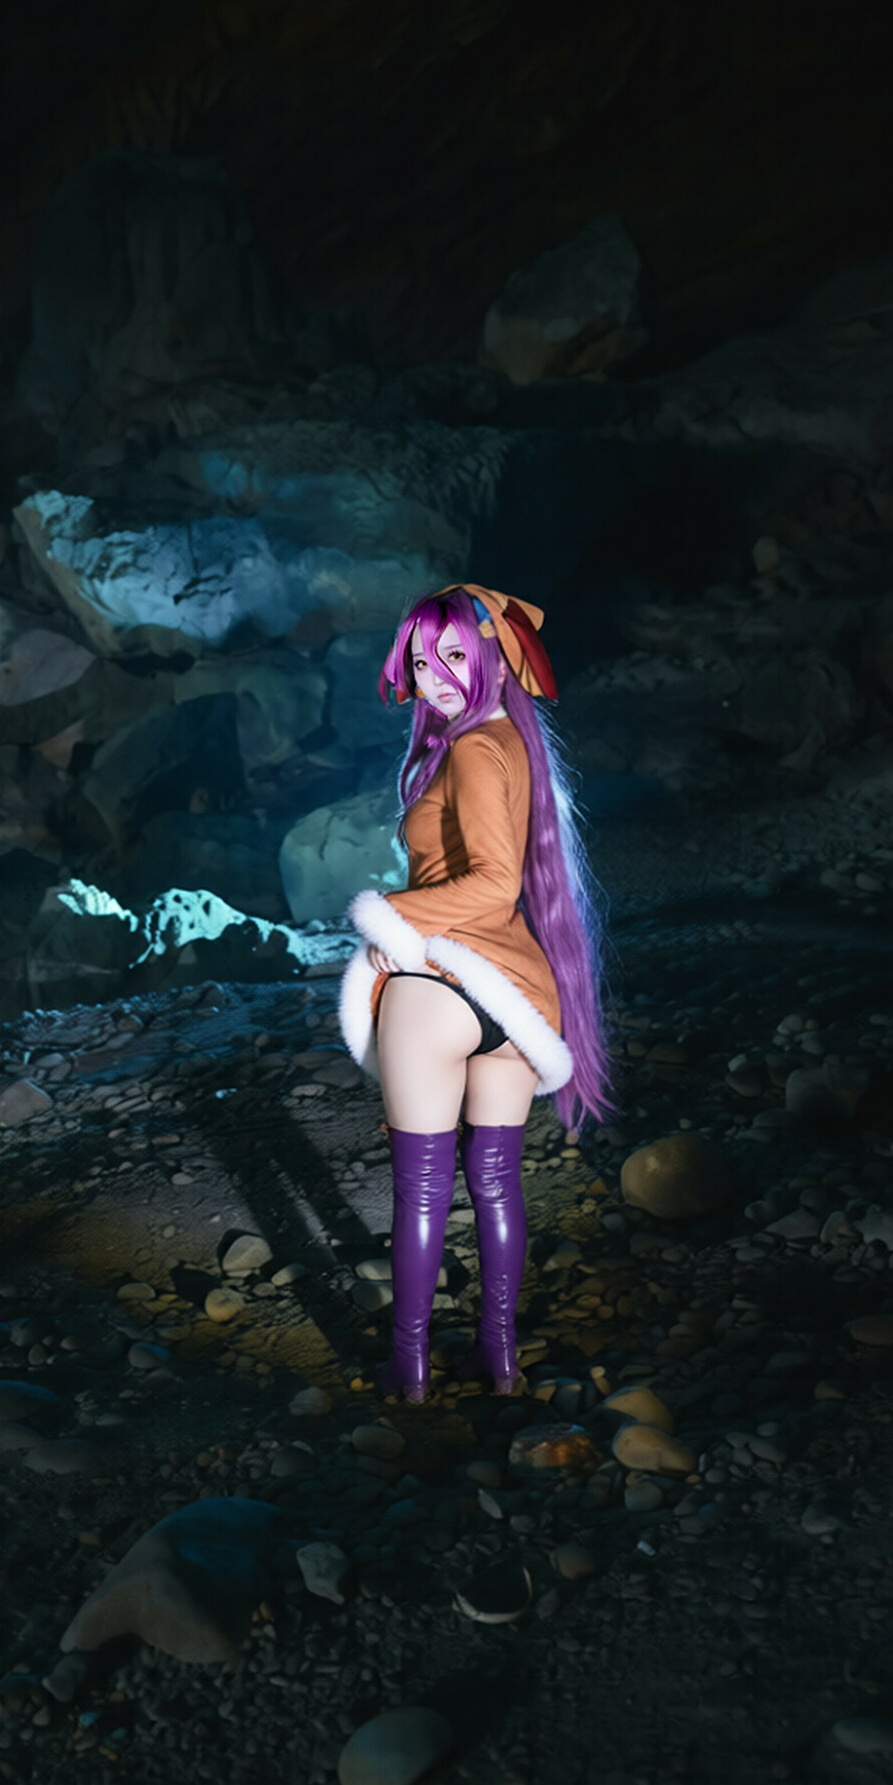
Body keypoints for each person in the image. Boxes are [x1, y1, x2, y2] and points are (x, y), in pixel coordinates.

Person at [338, 583, 612, 1403]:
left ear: (492, 655)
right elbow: (509, 889)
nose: (434, 678)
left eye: (453, 656)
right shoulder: (509, 743)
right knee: (495, 1181)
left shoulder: (469, 751)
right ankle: (499, 1360)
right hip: (518, 993)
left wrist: (387, 921)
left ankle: (410, 1366)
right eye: (421, 664)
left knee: (422, 1188)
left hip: (446, 985)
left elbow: (491, 886)